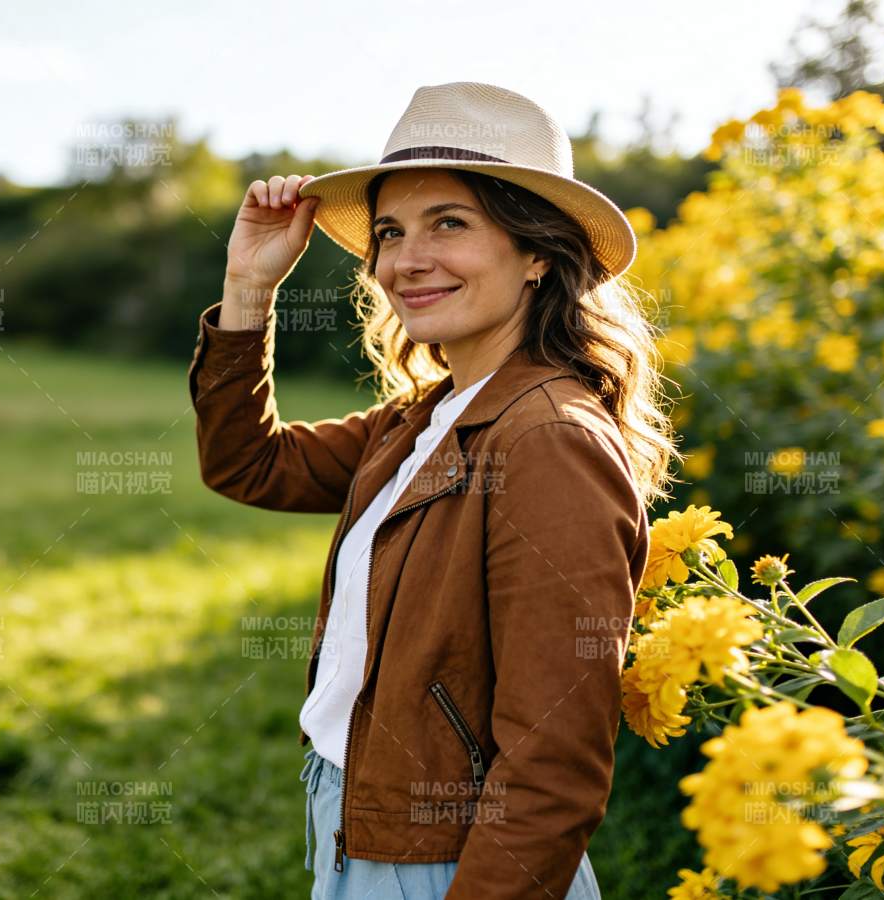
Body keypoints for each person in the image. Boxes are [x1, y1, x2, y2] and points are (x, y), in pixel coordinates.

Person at [187, 82, 677, 899]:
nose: (404, 261)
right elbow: (250, 465)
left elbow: (552, 761)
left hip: (451, 865)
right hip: (358, 826)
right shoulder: (426, 418)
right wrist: (248, 288)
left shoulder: (547, 440)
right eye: (389, 232)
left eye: (449, 223)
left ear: (538, 252)